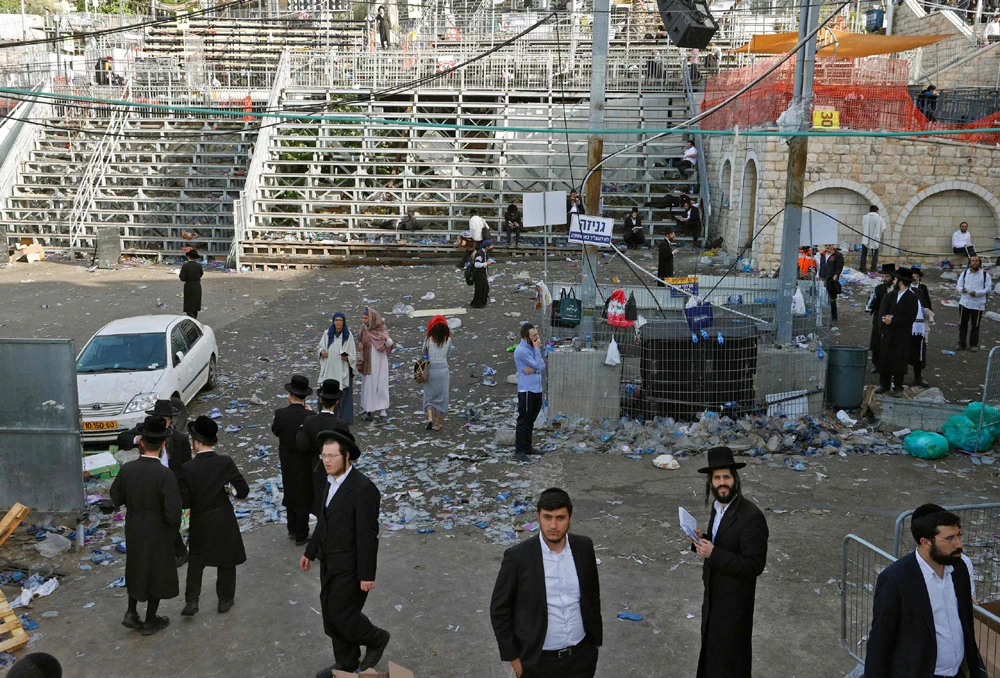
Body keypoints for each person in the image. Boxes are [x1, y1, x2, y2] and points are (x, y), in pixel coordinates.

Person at [301, 425, 390, 676]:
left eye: (332, 456)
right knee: (330, 615)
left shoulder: (363, 489)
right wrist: (310, 551)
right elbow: (324, 520)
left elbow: (367, 535)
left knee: (342, 614)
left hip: (351, 565)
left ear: (347, 456)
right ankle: (347, 663)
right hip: (329, 562)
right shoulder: (329, 483)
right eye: (324, 455)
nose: (326, 461)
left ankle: (376, 638)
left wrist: (367, 574)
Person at [490, 488, 603, 678]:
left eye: (560, 518)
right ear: (538, 517)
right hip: (538, 661)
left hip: (582, 657)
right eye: (547, 517)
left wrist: (596, 642)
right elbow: (499, 609)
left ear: (570, 518)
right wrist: (514, 660)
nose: (553, 525)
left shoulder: (584, 547)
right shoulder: (518, 557)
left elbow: (592, 595)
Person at [863, 504, 984, 678]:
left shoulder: (959, 568)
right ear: (926, 542)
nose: (959, 544)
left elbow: (966, 623)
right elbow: (880, 640)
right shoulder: (896, 579)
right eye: (949, 538)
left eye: (959, 535)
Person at [690, 446, 769, 678]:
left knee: (731, 663)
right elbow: (722, 542)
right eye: (717, 478)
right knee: (712, 657)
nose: (722, 482)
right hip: (713, 599)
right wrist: (700, 540)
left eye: (726, 476)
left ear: (735, 479)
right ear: (710, 482)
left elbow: (754, 565)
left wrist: (714, 553)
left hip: (734, 607)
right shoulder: (719, 507)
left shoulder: (751, 516)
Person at [110, 415, 182, 636]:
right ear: (163, 444)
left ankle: (131, 612)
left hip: (134, 525)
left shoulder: (128, 469)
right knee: (157, 571)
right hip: (158, 527)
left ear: (141, 442)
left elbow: (115, 498)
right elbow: (173, 512)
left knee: (136, 565)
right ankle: (150, 620)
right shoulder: (165, 474)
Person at [178, 416, 249, 617]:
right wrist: (228, 489)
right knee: (226, 560)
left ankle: (192, 601)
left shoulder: (186, 468)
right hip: (223, 517)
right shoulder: (225, 462)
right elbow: (243, 491)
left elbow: (184, 502)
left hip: (200, 519)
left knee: (196, 561)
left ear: (196, 442)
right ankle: (224, 600)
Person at [116, 399, 191, 567]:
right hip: (151, 483)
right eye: (159, 418)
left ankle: (178, 552)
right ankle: (174, 552)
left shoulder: (180, 439)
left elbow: (187, 468)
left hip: (172, 485)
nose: (162, 422)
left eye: (165, 418)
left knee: (169, 520)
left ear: (171, 420)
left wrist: (187, 493)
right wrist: (138, 439)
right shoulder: (145, 431)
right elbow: (121, 438)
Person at [272, 375, 315, 545]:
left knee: (290, 491)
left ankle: (291, 528)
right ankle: (301, 533)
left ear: (290, 396)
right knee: (304, 494)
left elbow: (276, 431)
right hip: (305, 461)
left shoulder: (280, 414)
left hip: (287, 459)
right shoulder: (310, 416)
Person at [296, 379, 348, 517]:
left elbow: (301, 445)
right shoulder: (341, 424)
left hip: (317, 465)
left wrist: (302, 428)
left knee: (320, 498)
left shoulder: (310, 421)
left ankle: (321, 530)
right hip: (337, 465)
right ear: (337, 402)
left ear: (320, 400)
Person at [876, 267, 920, 396]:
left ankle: (898, 386)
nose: (893, 281)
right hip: (887, 333)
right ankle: (884, 384)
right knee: (885, 358)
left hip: (902, 335)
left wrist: (893, 320)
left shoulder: (912, 298)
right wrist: (884, 324)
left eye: (895, 279)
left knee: (899, 360)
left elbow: (910, 317)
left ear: (900, 281)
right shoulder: (889, 296)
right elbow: (882, 312)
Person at [513, 323, 545, 464]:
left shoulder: (533, 348)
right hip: (526, 390)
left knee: (531, 420)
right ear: (526, 337)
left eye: (536, 334)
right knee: (523, 420)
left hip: (536, 388)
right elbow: (538, 365)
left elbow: (542, 366)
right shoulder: (522, 350)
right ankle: (519, 450)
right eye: (534, 336)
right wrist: (537, 352)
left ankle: (528, 446)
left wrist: (533, 370)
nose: (537, 338)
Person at [317, 312, 357, 424]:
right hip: (329, 367)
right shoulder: (327, 333)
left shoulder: (347, 335)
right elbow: (320, 347)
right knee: (327, 388)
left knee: (342, 391)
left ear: (343, 322)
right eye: (336, 320)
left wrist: (347, 357)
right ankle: (324, 413)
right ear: (333, 321)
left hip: (341, 367)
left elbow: (352, 353)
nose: (338, 322)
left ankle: (342, 417)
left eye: (340, 320)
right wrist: (322, 352)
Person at [357, 308, 393, 421]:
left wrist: (385, 339)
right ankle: (369, 410)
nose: (364, 320)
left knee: (381, 384)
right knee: (369, 384)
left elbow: (390, 343)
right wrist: (360, 346)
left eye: (366, 318)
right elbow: (360, 341)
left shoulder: (381, 328)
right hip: (368, 361)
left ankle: (383, 411)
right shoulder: (363, 329)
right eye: (363, 318)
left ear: (372, 318)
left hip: (380, 361)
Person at [421, 316, 451, 431]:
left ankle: (429, 418)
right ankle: (437, 424)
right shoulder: (448, 340)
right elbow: (448, 353)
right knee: (441, 398)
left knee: (429, 396)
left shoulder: (428, 340)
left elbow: (423, 352)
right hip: (443, 370)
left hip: (430, 370)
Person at [957, 255, 992, 352]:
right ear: (970, 263)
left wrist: (976, 293)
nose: (975, 262)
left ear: (980, 263)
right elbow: (959, 285)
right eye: (973, 261)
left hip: (978, 304)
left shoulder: (985, 275)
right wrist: (961, 290)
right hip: (964, 302)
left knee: (975, 325)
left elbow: (988, 289)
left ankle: (973, 344)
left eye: (977, 261)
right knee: (962, 324)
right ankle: (961, 343)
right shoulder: (965, 273)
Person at [866, 263, 896, 374]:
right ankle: (877, 364)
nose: (884, 279)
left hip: (893, 319)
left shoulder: (897, 289)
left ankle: (890, 365)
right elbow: (870, 303)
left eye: (887, 276)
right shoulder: (878, 288)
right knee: (877, 341)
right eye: (883, 276)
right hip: (878, 318)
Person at [909, 265, 933, 387]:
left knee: (919, 350)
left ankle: (918, 377)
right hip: (905, 325)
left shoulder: (921, 289)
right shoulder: (899, 291)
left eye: (916, 277)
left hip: (918, 326)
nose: (914, 279)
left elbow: (926, 303)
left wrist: (928, 312)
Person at [819, 243, 845, 323]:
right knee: (821, 298)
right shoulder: (823, 254)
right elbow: (821, 266)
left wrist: (835, 276)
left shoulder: (838, 255)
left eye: (829, 245)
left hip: (832, 280)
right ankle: (822, 317)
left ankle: (834, 317)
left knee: (832, 299)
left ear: (833, 245)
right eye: (826, 245)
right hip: (823, 278)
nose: (827, 247)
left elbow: (839, 267)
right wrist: (820, 276)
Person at [859, 205, 886, 273]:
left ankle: (862, 268)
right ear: (876, 210)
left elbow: (863, 226)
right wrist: (878, 233)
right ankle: (873, 268)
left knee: (864, 254)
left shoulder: (865, 217)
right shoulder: (879, 218)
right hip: (875, 239)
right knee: (875, 255)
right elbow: (883, 228)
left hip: (866, 238)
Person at [179, 249, 204, 319]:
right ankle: (194, 318)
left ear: (188, 257)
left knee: (189, 303)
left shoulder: (185, 266)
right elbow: (201, 274)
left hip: (188, 285)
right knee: (196, 303)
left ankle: (191, 319)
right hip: (197, 285)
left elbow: (182, 277)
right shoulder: (199, 265)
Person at [470, 242, 490, 308]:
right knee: (480, 289)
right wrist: (486, 263)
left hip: (483, 273)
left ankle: (481, 302)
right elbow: (477, 265)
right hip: (479, 274)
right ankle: (478, 304)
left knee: (484, 288)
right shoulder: (479, 253)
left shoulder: (485, 253)